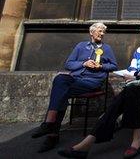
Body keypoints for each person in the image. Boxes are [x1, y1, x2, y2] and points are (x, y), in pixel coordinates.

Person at [58, 21, 140, 159]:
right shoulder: (139, 51)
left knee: (126, 94)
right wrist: (136, 74)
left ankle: (88, 142)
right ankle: (136, 138)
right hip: (137, 85)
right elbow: (132, 69)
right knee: (130, 91)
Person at [31, 22, 118, 153]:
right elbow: (69, 64)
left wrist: (101, 67)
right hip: (75, 79)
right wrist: (84, 63)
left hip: (92, 82)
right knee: (60, 80)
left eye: (103, 32)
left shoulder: (107, 48)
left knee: (61, 91)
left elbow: (114, 66)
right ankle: (51, 129)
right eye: (99, 31)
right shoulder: (81, 46)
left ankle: (51, 130)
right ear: (91, 32)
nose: (102, 34)